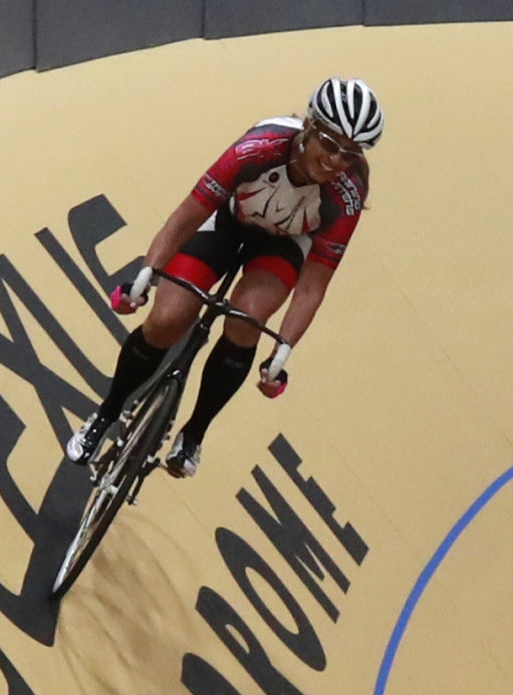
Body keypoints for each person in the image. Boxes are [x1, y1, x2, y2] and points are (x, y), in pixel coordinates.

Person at [66, 77, 384, 478]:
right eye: (330, 144)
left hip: (284, 246)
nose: (337, 160)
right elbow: (186, 217)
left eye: (351, 154)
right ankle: (106, 414)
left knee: (248, 319)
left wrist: (282, 352)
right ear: (309, 125)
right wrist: (146, 276)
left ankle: (193, 435)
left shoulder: (347, 195)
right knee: (166, 320)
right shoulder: (259, 147)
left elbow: (313, 285)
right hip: (227, 223)